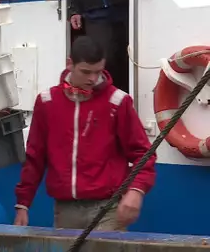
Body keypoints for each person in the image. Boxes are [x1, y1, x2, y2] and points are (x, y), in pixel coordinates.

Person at [13, 36, 156, 231]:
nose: (93, 79)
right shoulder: (47, 102)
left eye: (98, 72)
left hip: (108, 208)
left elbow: (144, 153)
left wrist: (136, 191)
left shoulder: (118, 102)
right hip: (64, 210)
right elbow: (35, 156)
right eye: (86, 72)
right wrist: (23, 204)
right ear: (69, 64)